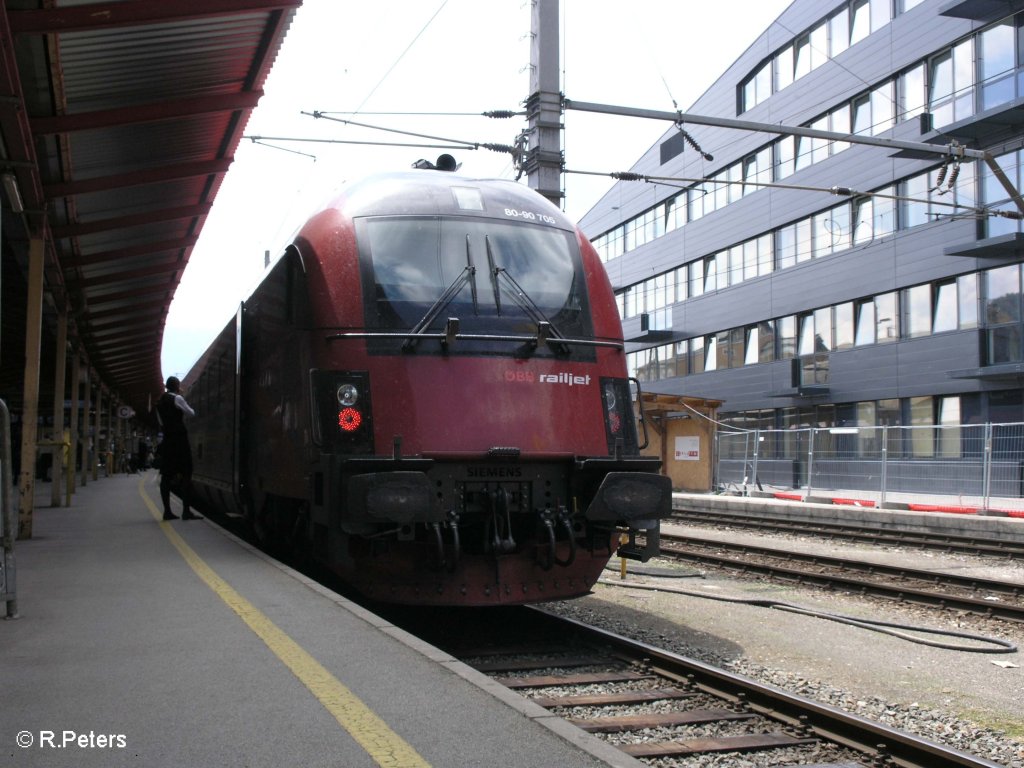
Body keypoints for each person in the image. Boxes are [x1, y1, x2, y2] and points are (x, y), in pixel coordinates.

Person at [155, 376, 201, 521]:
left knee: (166, 477)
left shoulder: (160, 402)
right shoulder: (177, 398)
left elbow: (161, 423)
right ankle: (186, 511)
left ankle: (167, 511)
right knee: (186, 474)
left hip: (167, 441)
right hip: (180, 440)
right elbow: (191, 413)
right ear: (177, 386)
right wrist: (181, 397)